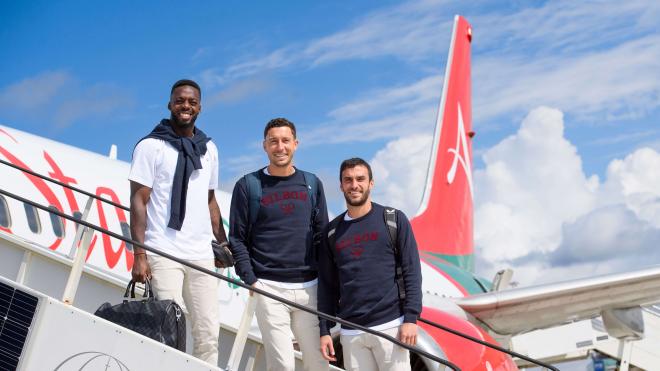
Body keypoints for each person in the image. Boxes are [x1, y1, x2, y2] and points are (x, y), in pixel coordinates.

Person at [129, 79, 227, 365]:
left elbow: (210, 200)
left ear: (200, 107)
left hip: (200, 255)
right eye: (180, 101)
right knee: (171, 328)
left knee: (208, 332)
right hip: (163, 251)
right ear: (170, 104)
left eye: (192, 102)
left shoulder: (209, 149)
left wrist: (222, 243)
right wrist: (140, 254)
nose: (186, 106)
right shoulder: (151, 146)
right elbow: (138, 201)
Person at [229, 117, 329, 371]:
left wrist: (327, 280)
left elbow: (322, 235)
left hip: (309, 289)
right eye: (273, 141)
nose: (280, 147)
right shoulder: (248, 186)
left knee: (317, 363)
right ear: (264, 146)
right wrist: (251, 279)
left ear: (295, 144)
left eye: (285, 141)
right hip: (269, 287)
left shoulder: (312, 184)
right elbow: (237, 239)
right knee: (282, 364)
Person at [318, 158, 422, 371]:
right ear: (341, 186)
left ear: (371, 183)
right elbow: (327, 286)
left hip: (391, 327)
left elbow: (412, 271)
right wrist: (324, 330)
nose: (354, 185)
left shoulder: (393, 220)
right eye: (348, 180)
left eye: (360, 179)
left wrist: (411, 318)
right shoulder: (331, 232)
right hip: (350, 333)